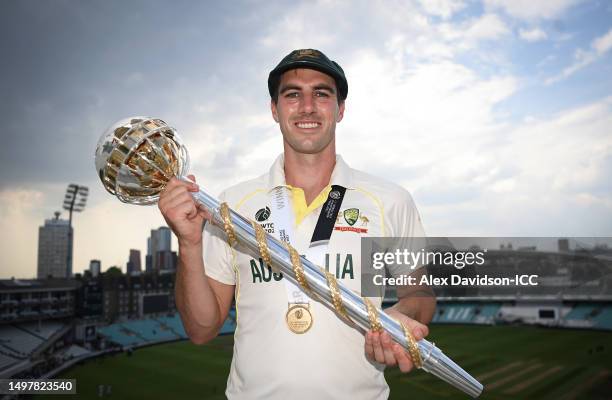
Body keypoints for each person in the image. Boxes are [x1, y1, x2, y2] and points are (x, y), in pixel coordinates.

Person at [158, 49, 436, 399]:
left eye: (322, 93)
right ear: (275, 110)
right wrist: (189, 244)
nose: (307, 106)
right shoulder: (233, 204)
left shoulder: (391, 200)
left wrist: (400, 314)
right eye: (293, 95)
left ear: (341, 109)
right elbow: (201, 329)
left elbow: (420, 295)